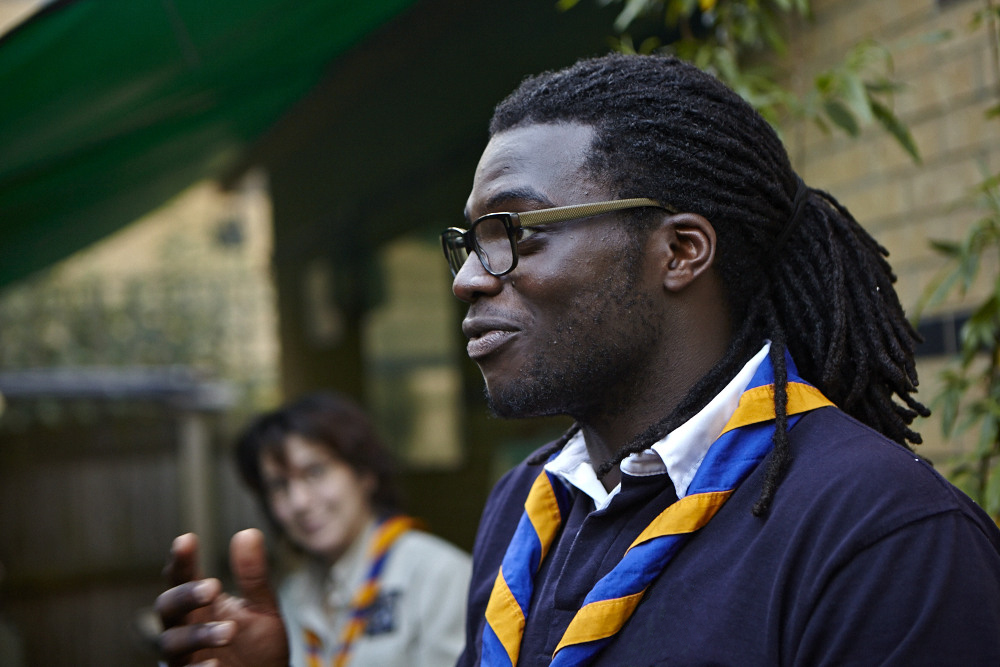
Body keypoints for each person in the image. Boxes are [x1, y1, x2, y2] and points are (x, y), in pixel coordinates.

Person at [156, 53, 1000, 666]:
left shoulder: (884, 536)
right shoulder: (526, 506)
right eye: (469, 241)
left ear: (679, 251)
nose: (464, 280)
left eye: (511, 233)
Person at [158, 392, 470, 667]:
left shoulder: (440, 576)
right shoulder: (291, 597)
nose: (300, 502)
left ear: (364, 473)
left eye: (315, 472)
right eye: (279, 485)